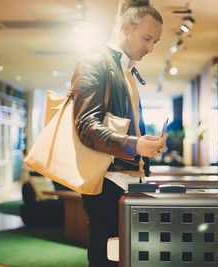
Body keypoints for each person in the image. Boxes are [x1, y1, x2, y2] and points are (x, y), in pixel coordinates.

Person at [70, 0, 164, 266]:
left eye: (155, 42)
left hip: (129, 182)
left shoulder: (126, 70)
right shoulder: (95, 62)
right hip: (106, 183)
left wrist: (147, 146)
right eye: (146, 38)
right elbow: (86, 125)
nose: (150, 47)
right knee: (106, 259)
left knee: (125, 258)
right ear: (126, 27)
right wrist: (135, 145)